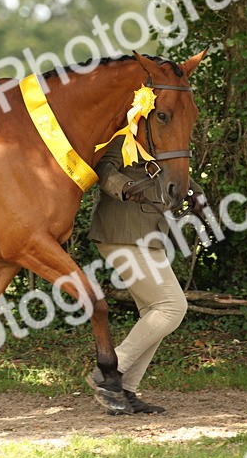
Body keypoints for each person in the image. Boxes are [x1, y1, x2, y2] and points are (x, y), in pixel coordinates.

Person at [85, 144, 204, 415]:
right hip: (121, 234)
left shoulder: (158, 137)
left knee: (154, 313)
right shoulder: (124, 133)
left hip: (148, 235)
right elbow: (103, 169)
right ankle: (109, 373)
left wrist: (194, 188)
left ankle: (125, 390)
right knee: (172, 307)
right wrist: (125, 187)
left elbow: (170, 166)